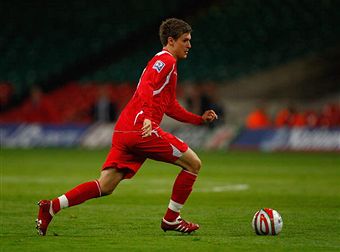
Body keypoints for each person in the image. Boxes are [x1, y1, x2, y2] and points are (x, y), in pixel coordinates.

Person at [36, 18, 218, 236]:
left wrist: (198, 120)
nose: (189, 45)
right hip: (140, 128)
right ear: (171, 41)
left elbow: (170, 106)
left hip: (125, 129)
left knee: (105, 185)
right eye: (185, 40)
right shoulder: (165, 60)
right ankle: (171, 219)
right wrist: (149, 118)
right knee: (193, 164)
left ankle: (52, 207)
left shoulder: (169, 66)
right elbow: (147, 85)